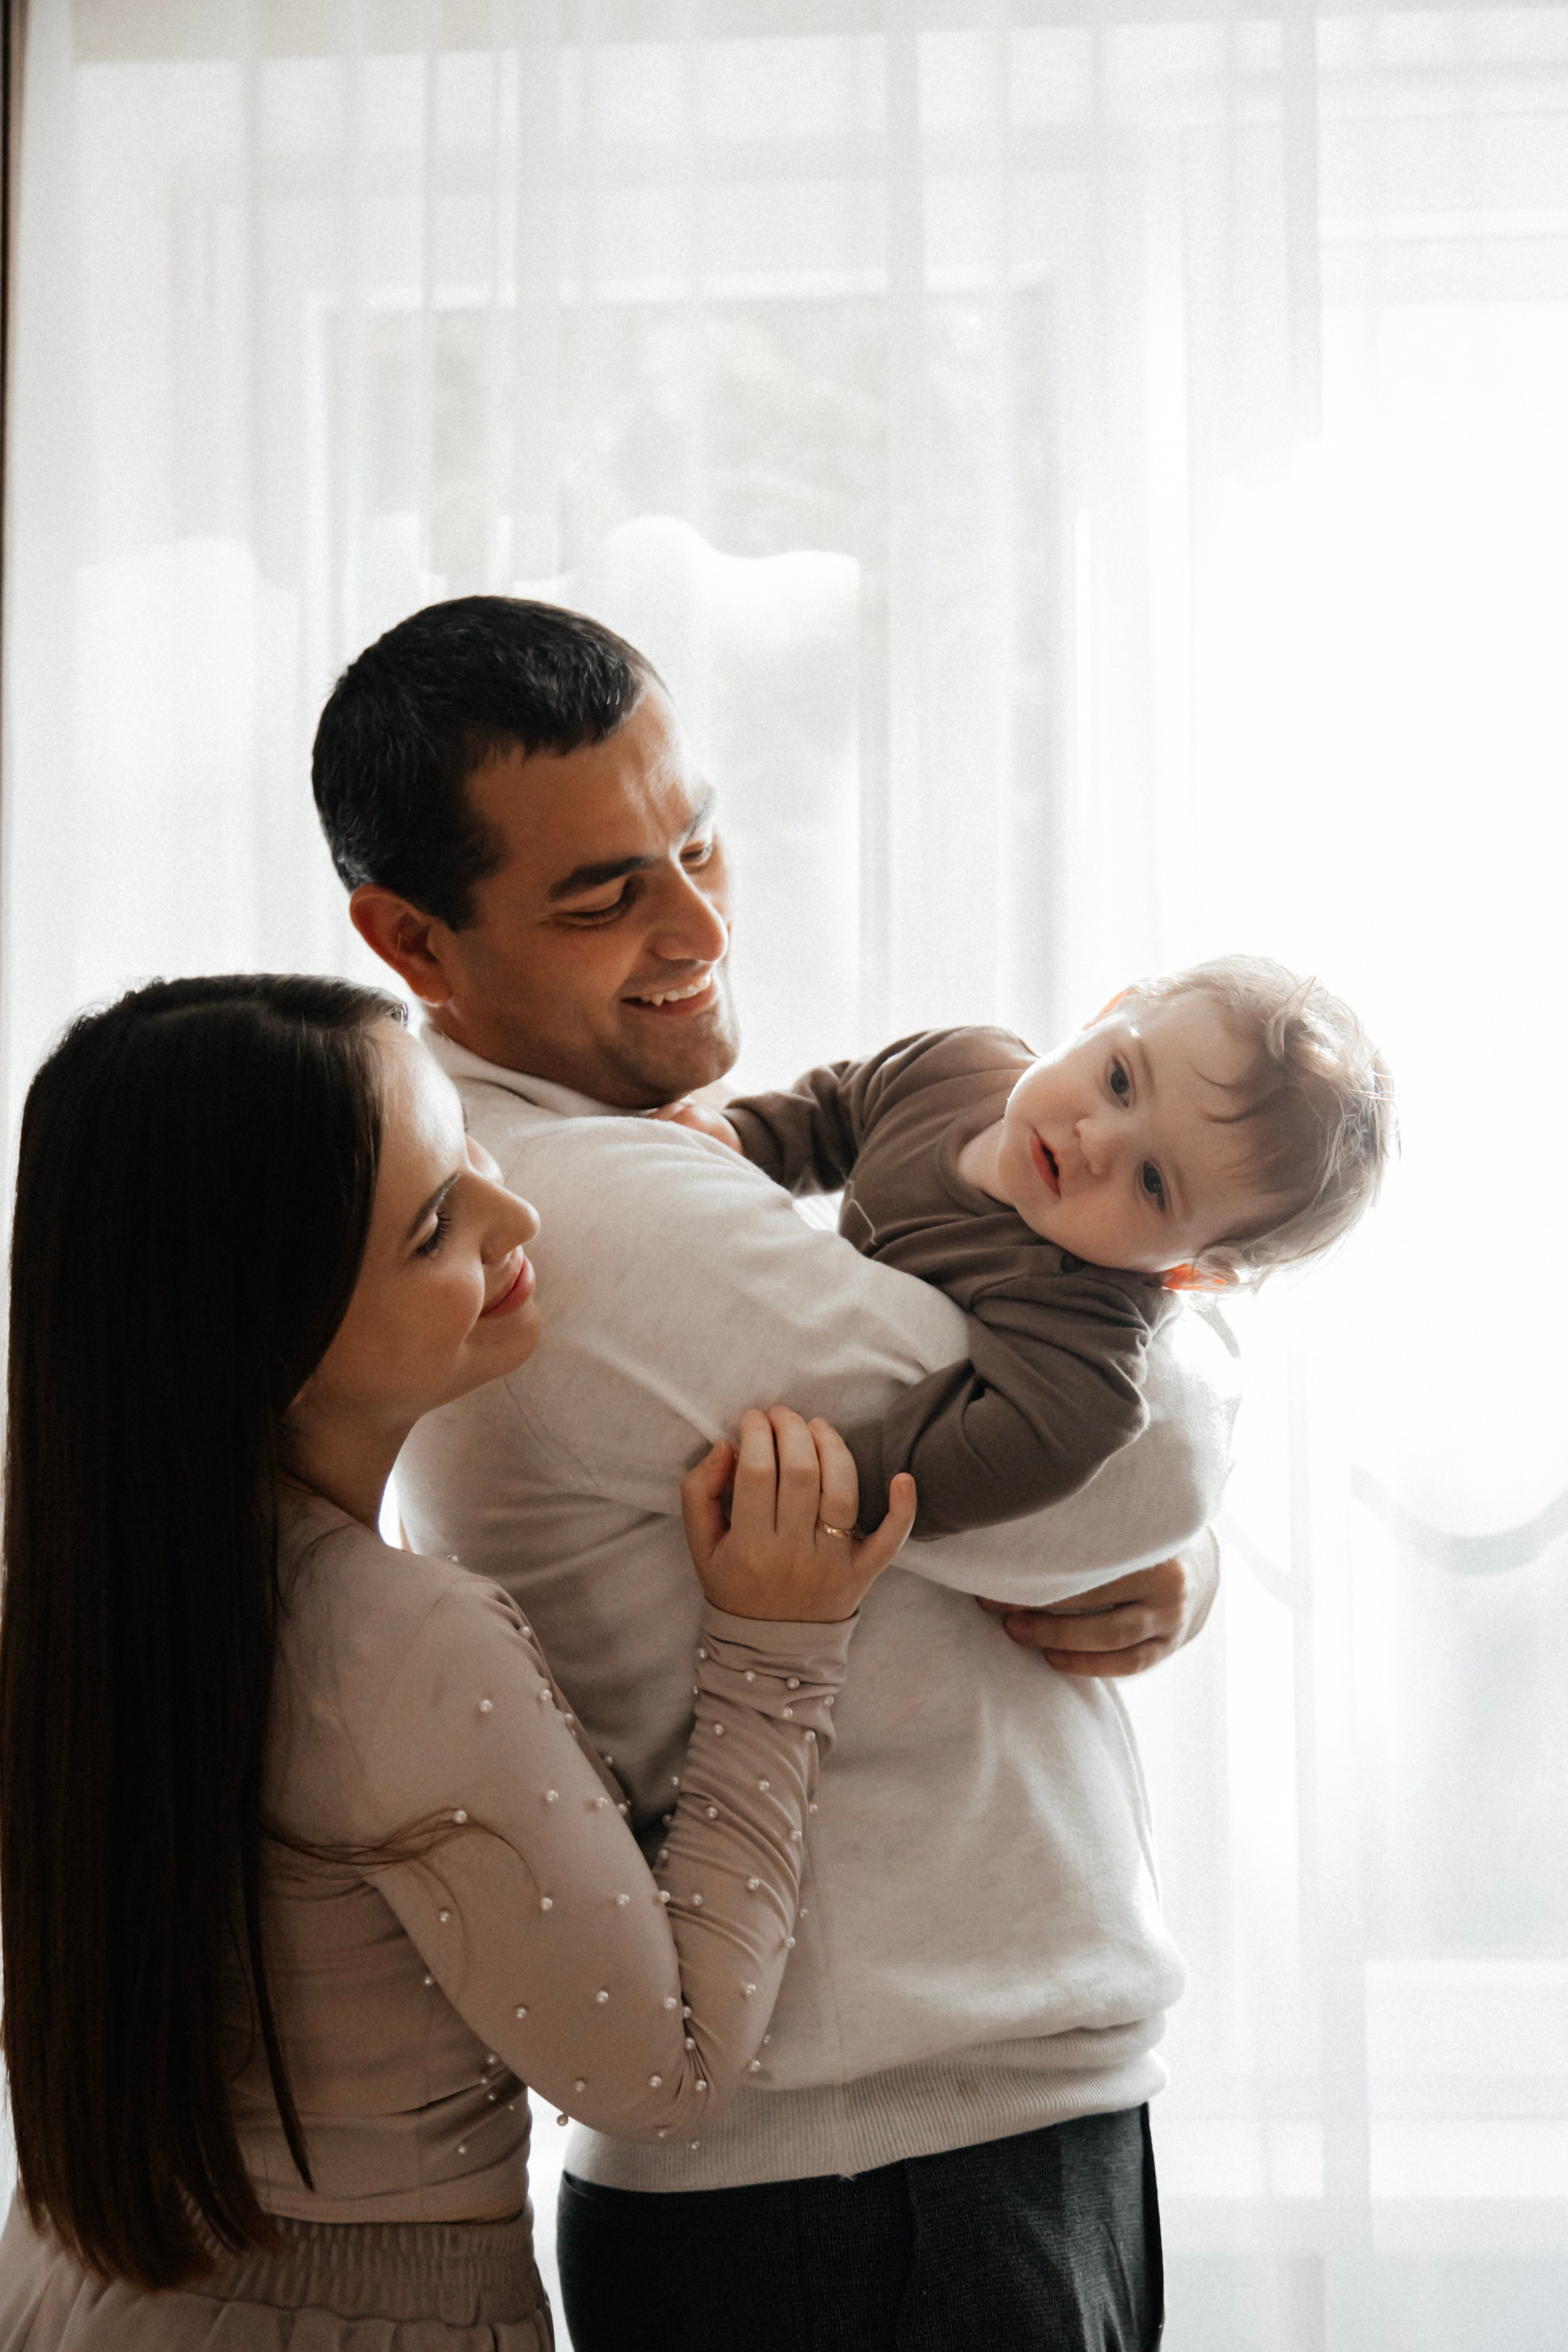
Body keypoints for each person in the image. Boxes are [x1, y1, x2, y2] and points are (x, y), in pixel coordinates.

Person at [314, 597, 1243, 2351]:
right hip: (883, 2185)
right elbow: (1129, 1464)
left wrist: (1163, 1546)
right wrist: (1184, 1477)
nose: (698, 922)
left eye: (700, 838)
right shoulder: (585, 1216)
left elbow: (1094, 1456)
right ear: (412, 941)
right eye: (606, 894)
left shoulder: (596, 1159)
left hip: (895, 2152)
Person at [0, 974, 914, 2349]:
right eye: (437, 1225)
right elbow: (665, 2069)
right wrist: (774, 1652)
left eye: (470, 1153)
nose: (517, 1217)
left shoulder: (75, 1588)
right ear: (269, 1337)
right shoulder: (393, 1638)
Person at [654, 961, 1394, 1538]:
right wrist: (745, 1138)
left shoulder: (1077, 1321)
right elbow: (840, 1110)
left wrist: (840, 1486)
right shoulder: (958, 1064)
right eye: (1118, 1079)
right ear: (1106, 1013)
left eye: (1152, 1182)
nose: (1094, 1138)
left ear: (1193, 1273)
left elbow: (1019, 1450)